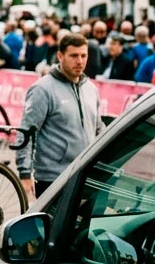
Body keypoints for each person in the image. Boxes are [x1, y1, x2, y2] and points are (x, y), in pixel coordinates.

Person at [16, 33, 102, 201]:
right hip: (53, 178)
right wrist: (25, 173)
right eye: (74, 56)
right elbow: (26, 132)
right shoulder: (42, 89)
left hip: (85, 175)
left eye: (83, 55)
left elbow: (98, 130)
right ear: (60, 56)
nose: (80, 61)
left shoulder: (91, 89)